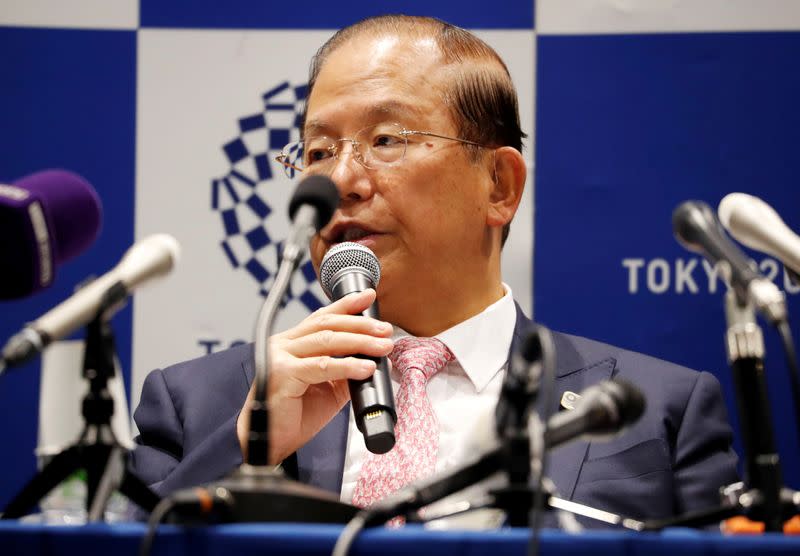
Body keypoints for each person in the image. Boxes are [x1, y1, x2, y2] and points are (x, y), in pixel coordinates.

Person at [129, 15, 738, 525]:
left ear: (498, 185)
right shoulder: (201, 405)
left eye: (388, 139)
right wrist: (249, 451)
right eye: (317, 152)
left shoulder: (657, 413)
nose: (340, 180)